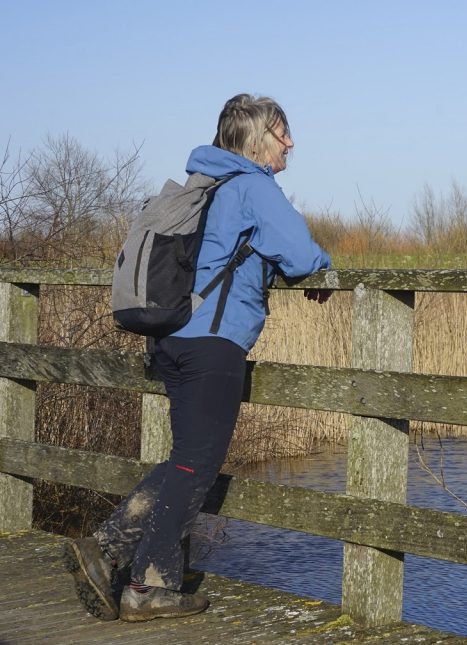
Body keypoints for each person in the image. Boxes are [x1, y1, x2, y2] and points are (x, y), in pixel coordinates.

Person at [63, 93, 333, 622]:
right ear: (259, 141)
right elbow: (301, 254)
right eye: (284, 133)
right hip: (213, 343)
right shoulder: (253, 185)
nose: (291, 143)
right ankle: (124, 565)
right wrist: (321, 267)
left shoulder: (200, 186)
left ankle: (136, 573)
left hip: (171, 339)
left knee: (185, 459)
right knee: (195, 464)